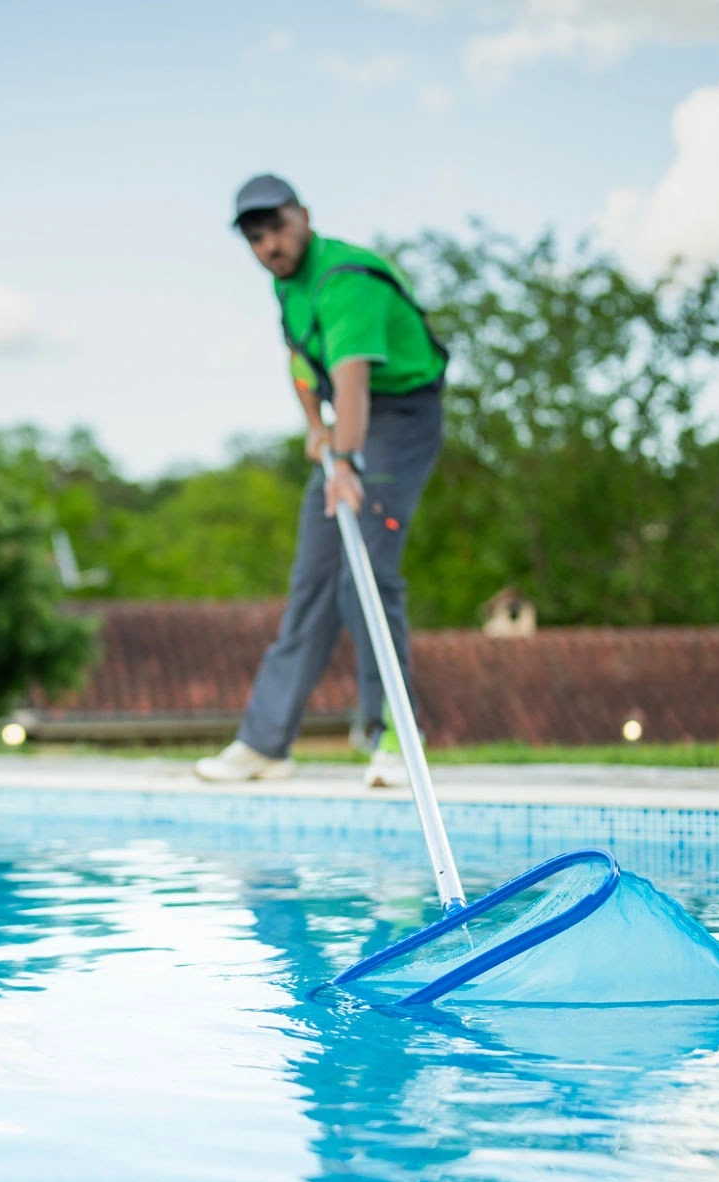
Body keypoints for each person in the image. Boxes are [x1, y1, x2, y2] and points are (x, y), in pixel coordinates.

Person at [195, 174, 446, 788]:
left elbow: (353, 378)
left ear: (303, 215)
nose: (270, 245)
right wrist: (316, 428)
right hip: (348, 424)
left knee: (368, 573)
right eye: (256, 238)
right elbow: (303, 365)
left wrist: (349, 461)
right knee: (313, 579)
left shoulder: (344, 280)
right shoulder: (288, 287)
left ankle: (395, 743)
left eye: (277, 228)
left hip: (400, 415)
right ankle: (265, 745)